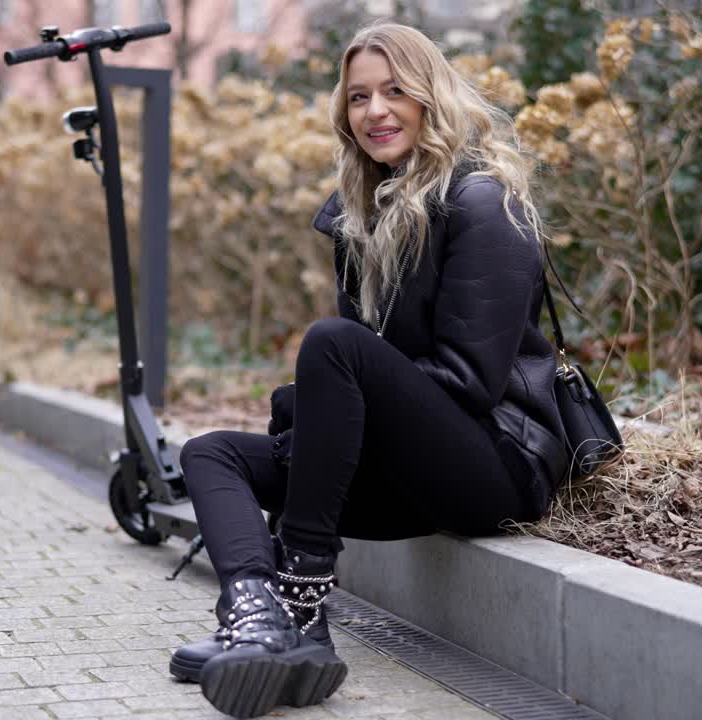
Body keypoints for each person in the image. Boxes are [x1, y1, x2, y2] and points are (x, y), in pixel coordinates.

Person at [171, 21, 569, 719]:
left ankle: (301, 604)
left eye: (394, 90)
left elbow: (470, 384)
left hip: (495, 466)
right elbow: (367, 377)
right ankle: (259, 619)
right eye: (358, 98)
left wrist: (339, 410)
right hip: (409, 466)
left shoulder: (486, 205)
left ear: (430, 98)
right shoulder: (360, 219)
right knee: (212, 454)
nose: (375, 110)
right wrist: (321, 418)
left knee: (330, 346)